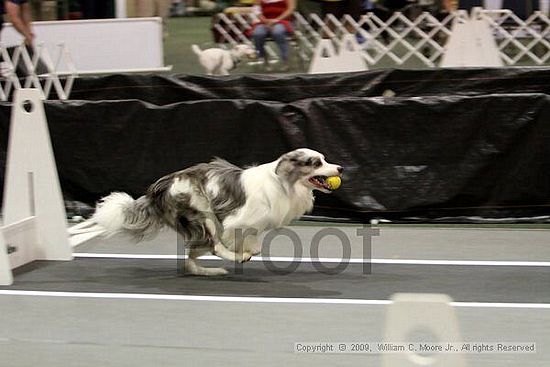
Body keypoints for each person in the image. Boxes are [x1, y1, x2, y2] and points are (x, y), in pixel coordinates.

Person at [251, 0, 296, 71]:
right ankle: (264, 60)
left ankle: (286, 61)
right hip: (265, 21)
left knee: (277, 32)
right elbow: (256, 9)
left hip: (283, 21)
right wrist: (265, 20)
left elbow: (290, 9)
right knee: (258, 33)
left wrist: (276, 20)